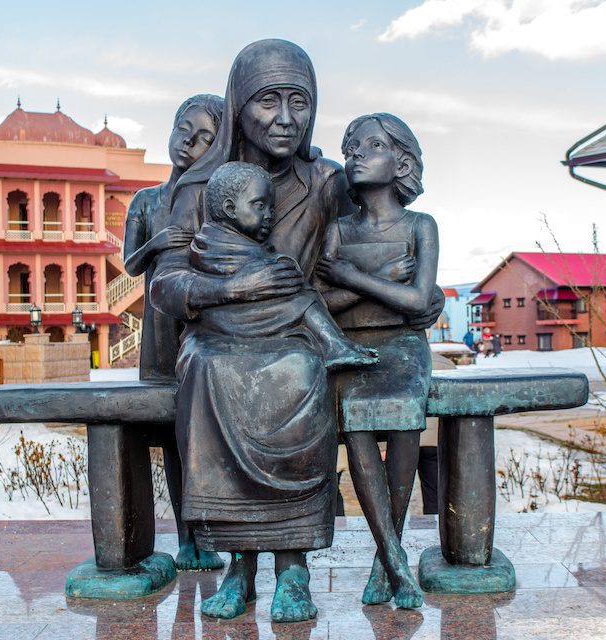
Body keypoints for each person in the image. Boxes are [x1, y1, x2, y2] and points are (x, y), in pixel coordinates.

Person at [149, 39, 444, 623]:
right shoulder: (198, 187)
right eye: (267, 101)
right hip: (219, 333)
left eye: (299, 102)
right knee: (209, 369)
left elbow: (381, 226)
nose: (286, 119)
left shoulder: (327, 181)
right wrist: (227, 292)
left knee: (305, 369)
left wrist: (417, 292)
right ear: (238, 104)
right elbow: (166, 282)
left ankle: (293, 567)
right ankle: (238, 564)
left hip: (299, 333)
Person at [315, 113, 437, 609]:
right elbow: (320, 305)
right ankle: (393, 558)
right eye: (350, 149)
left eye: (372, 145)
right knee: (358, 421)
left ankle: (386, 558)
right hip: (351, 347)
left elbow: (416, 303)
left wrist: (352, 276)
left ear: (401, 161)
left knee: (406, 417)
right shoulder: (338, 230)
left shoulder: (420, 226)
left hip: (404, 345)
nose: (356, 155)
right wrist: (383, 276)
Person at [122, 93, 225, 572]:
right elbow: (129, 261)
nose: (190, 141)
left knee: (203, 437)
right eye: (185, 127)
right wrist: (163, 241)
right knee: (170, 438)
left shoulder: (215, 199)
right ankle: (186, 540)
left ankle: (212, 533)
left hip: (203, 323)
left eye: (205, 136)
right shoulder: (146, 202)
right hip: (160, 329)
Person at [191, 161, 378, 368]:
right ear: (229, 208)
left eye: (271, 208)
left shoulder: (238, 240)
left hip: (245, 314)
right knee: (303, 301)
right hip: (230, 317)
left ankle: (337, 344)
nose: (269, 215)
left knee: (302, 295)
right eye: (260, 206)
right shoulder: (215, 242)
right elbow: (235, 267)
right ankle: (335, 346)